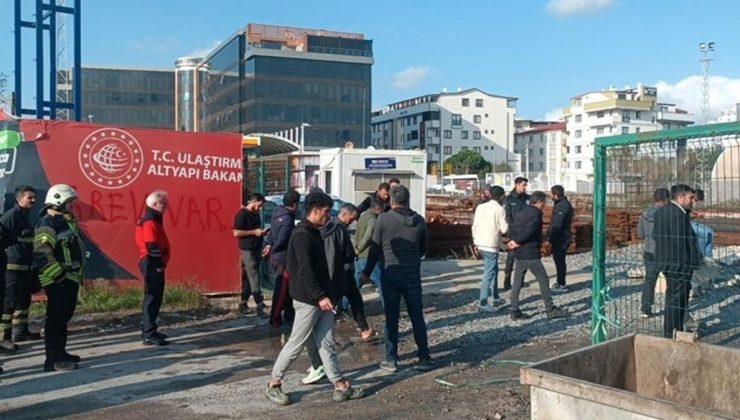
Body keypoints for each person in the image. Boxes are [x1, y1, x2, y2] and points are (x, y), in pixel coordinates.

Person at [265, 191, 364, 406]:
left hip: (323, 298)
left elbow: (320, 269)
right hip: (309, 300)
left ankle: (339, 386)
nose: (329, 216)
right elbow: (305, 271)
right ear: (315, 210)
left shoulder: (314, 232)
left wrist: (329, 295)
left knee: (327, 343)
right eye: (327, 212)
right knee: (296, 343)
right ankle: (274, 383)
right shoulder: (302, 235)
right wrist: (320, 296)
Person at [362, 185, 434, 372]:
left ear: (391, 200)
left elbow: (375, 250)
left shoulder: (383, 220)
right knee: (417, 316)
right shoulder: (419, 221)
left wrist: (366, 273)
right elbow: (423, 250)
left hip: (390, 273)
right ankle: (424, 357)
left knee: (391, 318)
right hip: (412, 274)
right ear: (407, 200)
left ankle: (391, 359)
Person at [33, 184, 85, 371]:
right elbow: (41, 254)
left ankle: (61, 352)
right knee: (55, 320)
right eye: (69, 202)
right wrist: (60, 277)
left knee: (63, 318)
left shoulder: (63, 223)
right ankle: (52, 360)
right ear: (58, 201)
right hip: (57, 280)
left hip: (67, 279)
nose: (72, 206)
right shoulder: (47, 225)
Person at [507, 191, 568, 321]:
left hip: (519, 253)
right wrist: (517, 241)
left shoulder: (522, 212)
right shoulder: (535, 214)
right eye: (544, 203)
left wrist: (513, 241)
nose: (545, 205)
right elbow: (528, 231)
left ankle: (514, 309)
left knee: (517, 281)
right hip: (530, 253)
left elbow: (512, 227)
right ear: (539, 202)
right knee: (543, 279)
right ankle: (550, 308)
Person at [653, 184, 701, 338]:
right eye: (690, 197)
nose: (692, 201)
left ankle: (672, 330)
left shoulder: (661, 212)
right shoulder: (678, 215)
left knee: (672, 298)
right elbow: (681, 242)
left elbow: (655, 235)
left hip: (666, 262)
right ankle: (674, 332)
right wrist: (689, 263)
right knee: (678, 300)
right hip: (680, 264)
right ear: (681, 198)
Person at [1, 186, 41, 345]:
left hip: (26, 267)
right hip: (12, 268)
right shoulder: (11, 217)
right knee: (9, 302)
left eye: (34, 197)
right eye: (29, 197)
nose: (33, 200)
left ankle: (20, 333)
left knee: (23, 301)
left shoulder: (25, 216)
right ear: (19, 199)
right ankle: (4, 338)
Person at [134, 190, 171, 346]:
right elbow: (151, 245)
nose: (166, 207)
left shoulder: (154, 219)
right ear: (155, 204)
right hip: (151, 263)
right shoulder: (150, 221)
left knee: (155, 297)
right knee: (152, 297)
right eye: (164, 204)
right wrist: (158, 265)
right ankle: (148, 333)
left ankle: (151, 330)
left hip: (153, 262)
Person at [265, 191, 300, 329]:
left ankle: (288, 316)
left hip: (277, 257)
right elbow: (283, 239)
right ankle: (275, 318)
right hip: (283, 258)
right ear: (295, 204)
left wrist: (270, 246)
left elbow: (273, 235)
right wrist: (274, 248)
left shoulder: (276, 213)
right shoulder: (287, 219)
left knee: (286, 289)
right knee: (282, 290)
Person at [471, 185, 508, 312]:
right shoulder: (500, 209)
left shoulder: (480, 207)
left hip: (480, 243)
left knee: (493, 270)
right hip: (491, 245)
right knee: (489, 273)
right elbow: (504, 229)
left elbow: (474, 226)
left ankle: (495, 296)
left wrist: (475, 242)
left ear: (490, 194)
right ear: (502, 196)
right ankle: (484, 301)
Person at [233, 193, 269, 317]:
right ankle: (259, 304)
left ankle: (243, 303)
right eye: (259, 205)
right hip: (247, 249)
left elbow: (257, 231)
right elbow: (236, 232)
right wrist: (254, 232)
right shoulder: (242, 214)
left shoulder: (255, 214)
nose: (260, 208)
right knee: (254, 274)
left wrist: (263, 239)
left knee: (250, 276)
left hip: (256, 247)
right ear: (253, 202)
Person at [637, 188, 670, 318]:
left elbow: (640, 234)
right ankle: (671, 307)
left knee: (650, 281)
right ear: (667, 200)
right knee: (671, 281)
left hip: (649, 251)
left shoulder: (644, 214)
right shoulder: (667, 215)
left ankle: (645, 309)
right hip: (665, 252)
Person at [502, 177, 530, 291]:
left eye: (526, 185)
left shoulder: (527, 199)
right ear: (517, 185)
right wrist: (513, 231)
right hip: (513, 232)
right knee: (511, 258)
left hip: (525, 232)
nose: (525, 187)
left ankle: (521, 280)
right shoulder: (509, 199)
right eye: (523, 185)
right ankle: (507, 280)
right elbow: (507, 216)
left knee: (524, 257)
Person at [354, 199, 383, 303]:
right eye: (382, 210)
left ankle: (342, 307)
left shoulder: (362, 217)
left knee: (355, 283)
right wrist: (360, 248)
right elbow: (368, 236)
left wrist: (356, 249)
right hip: (367, 255)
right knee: (381, 282)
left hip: (358, 256)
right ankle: (388, 308)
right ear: (377, 209)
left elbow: (356, 235)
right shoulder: (373, 220)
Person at [548, 185, 573, 293]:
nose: (550, 196)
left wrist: (550, 239)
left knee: (560, 260)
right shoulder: (560, 204)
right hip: (561, 237)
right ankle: (560, 282)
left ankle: (561, 284)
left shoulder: (562, 206)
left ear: (556, 195)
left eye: (551, 194)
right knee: (558, 260)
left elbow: (557, 224)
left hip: (561, 238)